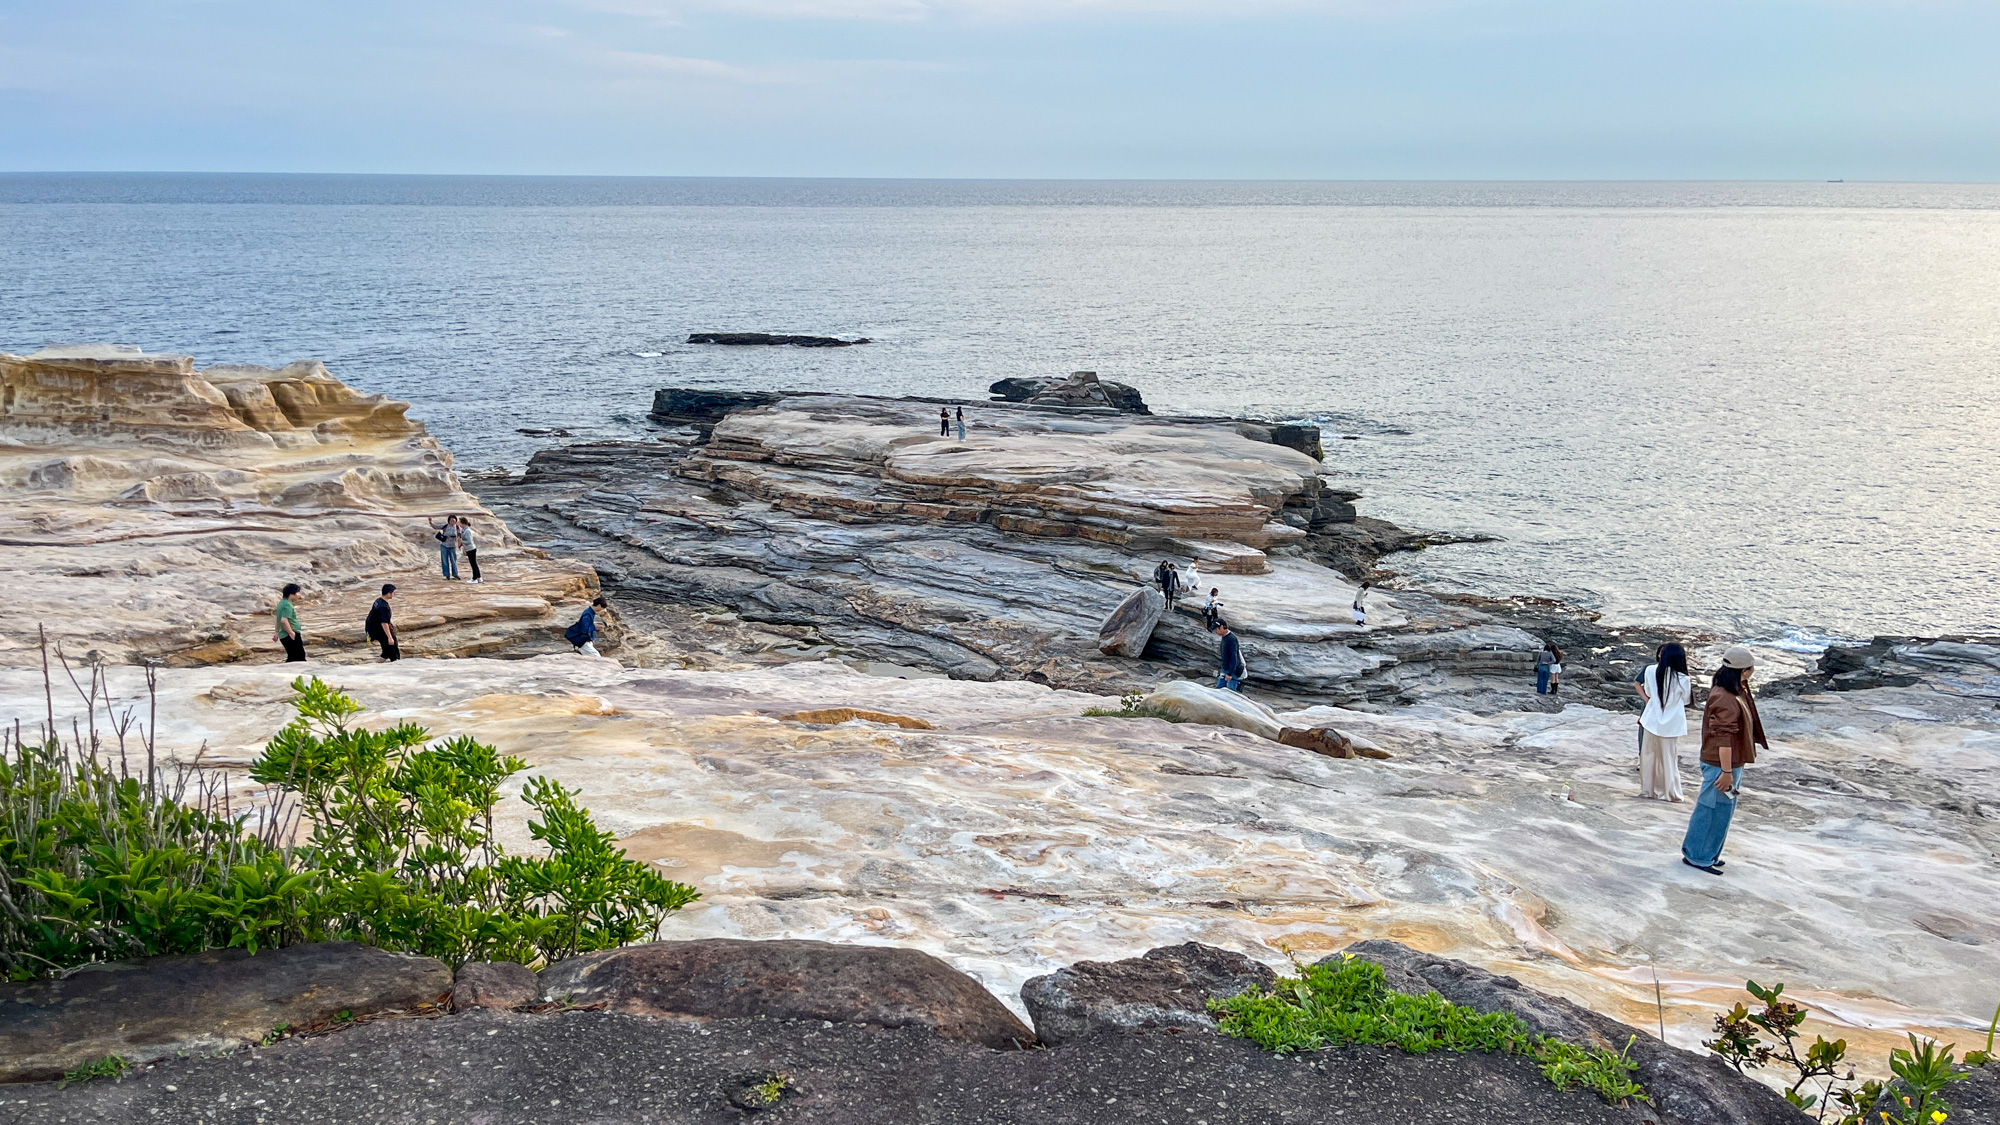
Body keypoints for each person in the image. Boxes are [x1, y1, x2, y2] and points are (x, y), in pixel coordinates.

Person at [1682, 646, 1768, 875]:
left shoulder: (1733, 689)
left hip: (1729, 762)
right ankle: (1697, 856)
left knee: (1722, 810)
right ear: (1745, 671)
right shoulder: (1725, 696)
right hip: (1721, 763)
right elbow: (1723, 737)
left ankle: (1707, 853)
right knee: (1711, 809)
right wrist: (1726, 771)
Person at [1635, 642, 1691, 801]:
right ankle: (1668, 791)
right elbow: (1686, 700)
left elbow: (1648, 692)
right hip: (1672, 722)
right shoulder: (1683, 678)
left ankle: (1648, 790)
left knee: (1648, 755)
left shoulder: (1650, 670)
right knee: (1668, 757)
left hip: (1651, 719)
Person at [365, 584, 399, 662]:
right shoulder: (384, 607)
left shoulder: (378, 601)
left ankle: (375, 666)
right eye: (393, 592)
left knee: (386, 652)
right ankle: (397, 668)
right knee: (394, 652)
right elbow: (384, 623)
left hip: (374, 629)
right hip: (381, 631)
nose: (394, 594)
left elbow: (377, 615)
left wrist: (389, 621)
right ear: (388, 593)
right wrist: (390, 637)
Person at [274, 583, 306, 663]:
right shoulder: (287, 605)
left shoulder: (281, 603)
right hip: (290, 633)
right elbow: (284, 621)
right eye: (298, 592)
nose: (299, 595)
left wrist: (276, 632)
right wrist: (291, 633)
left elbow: (277, 619)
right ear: (291, 594)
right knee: (299, 657)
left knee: (292, 656)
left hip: (283, 634)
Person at [1213, 620, 1246, 692]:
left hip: (1232, 670)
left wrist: (1229, 673)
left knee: (1231, 692)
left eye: (1216, 629)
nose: (1215, 631)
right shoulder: (1224, 637)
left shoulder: (1231, 639)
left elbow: (1233, 658)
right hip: (1225, 669)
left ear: (1221, 627)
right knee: (1219, 690)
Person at [429, 514, 461, 581]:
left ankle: (455, 574)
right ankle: (447, 575)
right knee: (444, 561)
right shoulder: (445, 526)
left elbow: (460, 536)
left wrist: (460, 544)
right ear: (449, 521)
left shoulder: (457, 528)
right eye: (451, 520)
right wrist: (431, 522)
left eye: (454, 520)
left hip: (452, 546)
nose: (452, 521)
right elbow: (436, 526)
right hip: (444, 545)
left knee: (453, 561)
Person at [460, 518, 482, 584]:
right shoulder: (464, 530)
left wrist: (462, 541)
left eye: (460, 522)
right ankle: (479, 577)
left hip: (471, 548)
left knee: (473, 564)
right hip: (470, 548)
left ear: (463, 523)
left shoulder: (467, 531)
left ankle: (474, 578)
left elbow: (469, 541)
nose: (459, 524)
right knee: (474, 563)